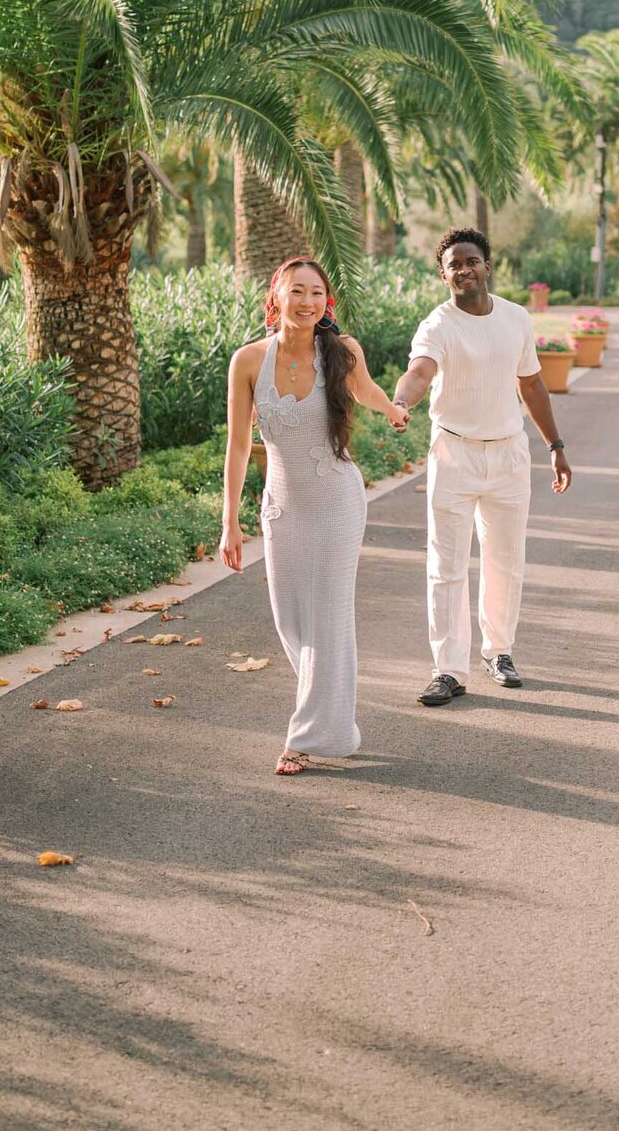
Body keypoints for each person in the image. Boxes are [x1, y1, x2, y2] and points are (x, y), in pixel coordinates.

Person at [221, 258, 409, 775]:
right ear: (275, 298)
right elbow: (239, 447)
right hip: (283, 508)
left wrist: (391, 409)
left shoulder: (341, 351)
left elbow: (364, 390)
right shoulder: (248, 361)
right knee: (291, 621)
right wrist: (229, 521)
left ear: (327, 302)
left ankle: (304, 737)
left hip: (336, 502)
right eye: (296, 291)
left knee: (327, 619)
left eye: (317, 293)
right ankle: (331, 719)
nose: (307, 301)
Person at [392, 227, 572, 705]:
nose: (464, 269)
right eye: (454, 264)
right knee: (446, 565)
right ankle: (448, 670)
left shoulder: (515, 319)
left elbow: (531, 385)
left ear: (487, 266)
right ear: (444, 274)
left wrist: (554, 444)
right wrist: (401, 401)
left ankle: (499, 652)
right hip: (454, 453)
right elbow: (420, 371)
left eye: (471, 260)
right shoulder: (439, 324)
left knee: (505, 559)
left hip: (509, 454)